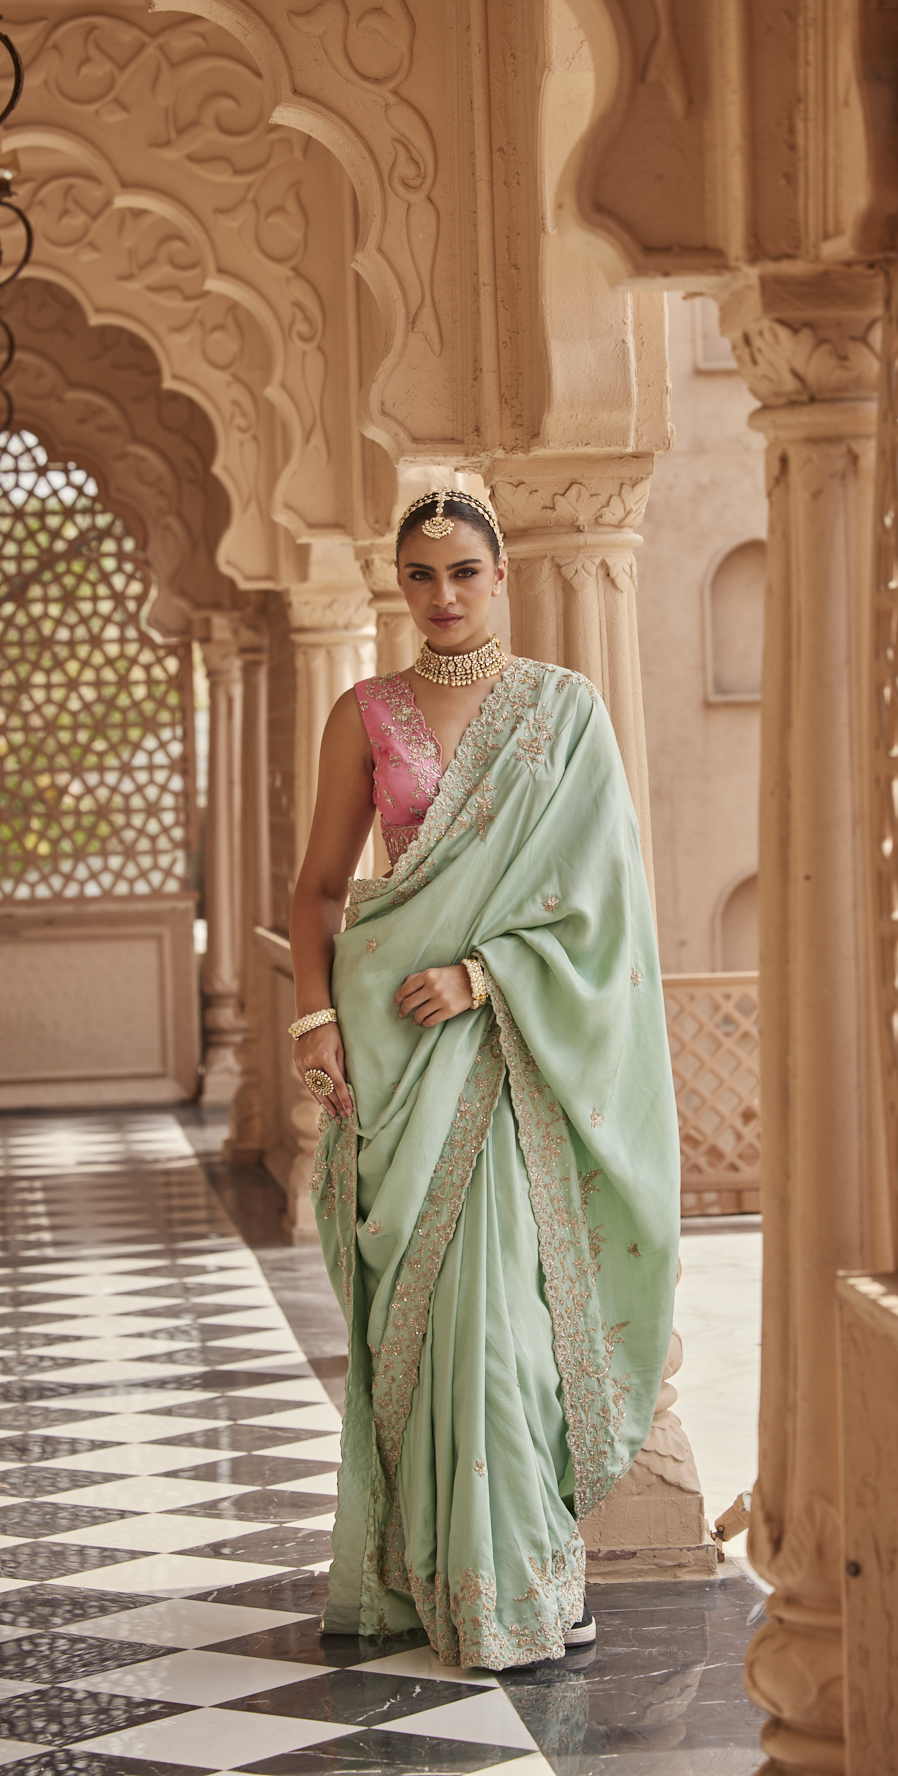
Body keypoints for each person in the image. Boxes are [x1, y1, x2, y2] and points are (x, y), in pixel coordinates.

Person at [288, 488, 680, 1669]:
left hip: (505, 1052)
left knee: (506, 1323)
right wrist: (313, 1018)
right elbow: (317, 888)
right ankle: (430, 1578)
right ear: (397, 584)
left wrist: (485, 975)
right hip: (393, 1052)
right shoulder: (365, 714)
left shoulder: (564, 712)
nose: (442, 595)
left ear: (501, 574)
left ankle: (527, 1575)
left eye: (462, 570)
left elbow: (603, 905)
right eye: (418, 574)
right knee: (409, 1324)